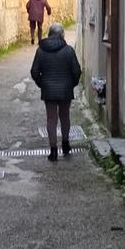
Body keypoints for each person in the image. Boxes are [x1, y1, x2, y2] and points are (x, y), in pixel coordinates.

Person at [30, 21, 82, 162]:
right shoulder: (69, 50)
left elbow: (34, 71)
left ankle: (53, 151)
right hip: (65, 89)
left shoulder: (41, 50)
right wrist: (72, 84)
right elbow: (76, 70)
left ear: (49, 34)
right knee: (65, 117)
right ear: (62, 35)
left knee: (51, 119)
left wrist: (42, 83)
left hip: (48, 89)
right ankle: (65, 144)